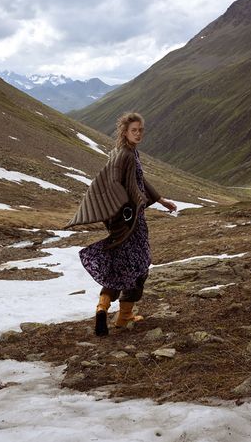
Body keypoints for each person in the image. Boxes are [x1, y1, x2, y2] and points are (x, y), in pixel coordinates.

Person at [66, 112, 177, 336]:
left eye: (140, 130)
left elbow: (139, 180)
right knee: (139, 266)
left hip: (127, 219)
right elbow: (114, 182)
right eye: (134, 130)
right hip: (130, 221)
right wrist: (126, 208)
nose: (138, 134)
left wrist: (160, 199)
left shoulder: (128, 153)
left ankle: (102, 309)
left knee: (120, 267)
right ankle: (124, 317)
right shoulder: (123, 155)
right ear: (125, 132)